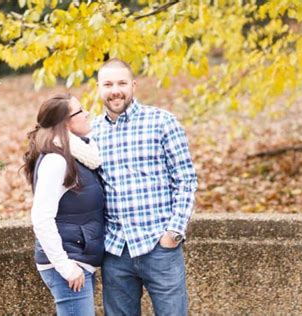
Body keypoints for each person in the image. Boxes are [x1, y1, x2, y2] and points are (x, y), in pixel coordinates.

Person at [92, 58, 198, 316]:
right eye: (108, 84)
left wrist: (173, 233)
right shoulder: (92, 132)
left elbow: (186, 179)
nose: (115, 90)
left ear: (134, 85)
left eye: (121, 83)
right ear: (98, 88)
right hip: (115, 250)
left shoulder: (162, 122)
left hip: (159, 247)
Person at [23, 93, 105, 315]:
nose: (87, 113)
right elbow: (41, 218)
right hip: (69, 263)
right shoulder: (57, 160)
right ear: (65, 123)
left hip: (78, 258)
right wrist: (66, 267)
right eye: (80, 110)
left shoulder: (79, 154)